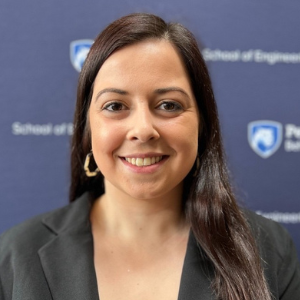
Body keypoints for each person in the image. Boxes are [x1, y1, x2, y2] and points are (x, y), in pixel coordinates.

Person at [0, 13, 299, 300]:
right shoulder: (16, 256)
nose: (143, 130)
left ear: (202, 124)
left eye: (169, 105)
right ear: (88, 129)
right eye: (115, 106)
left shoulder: (269, 250)